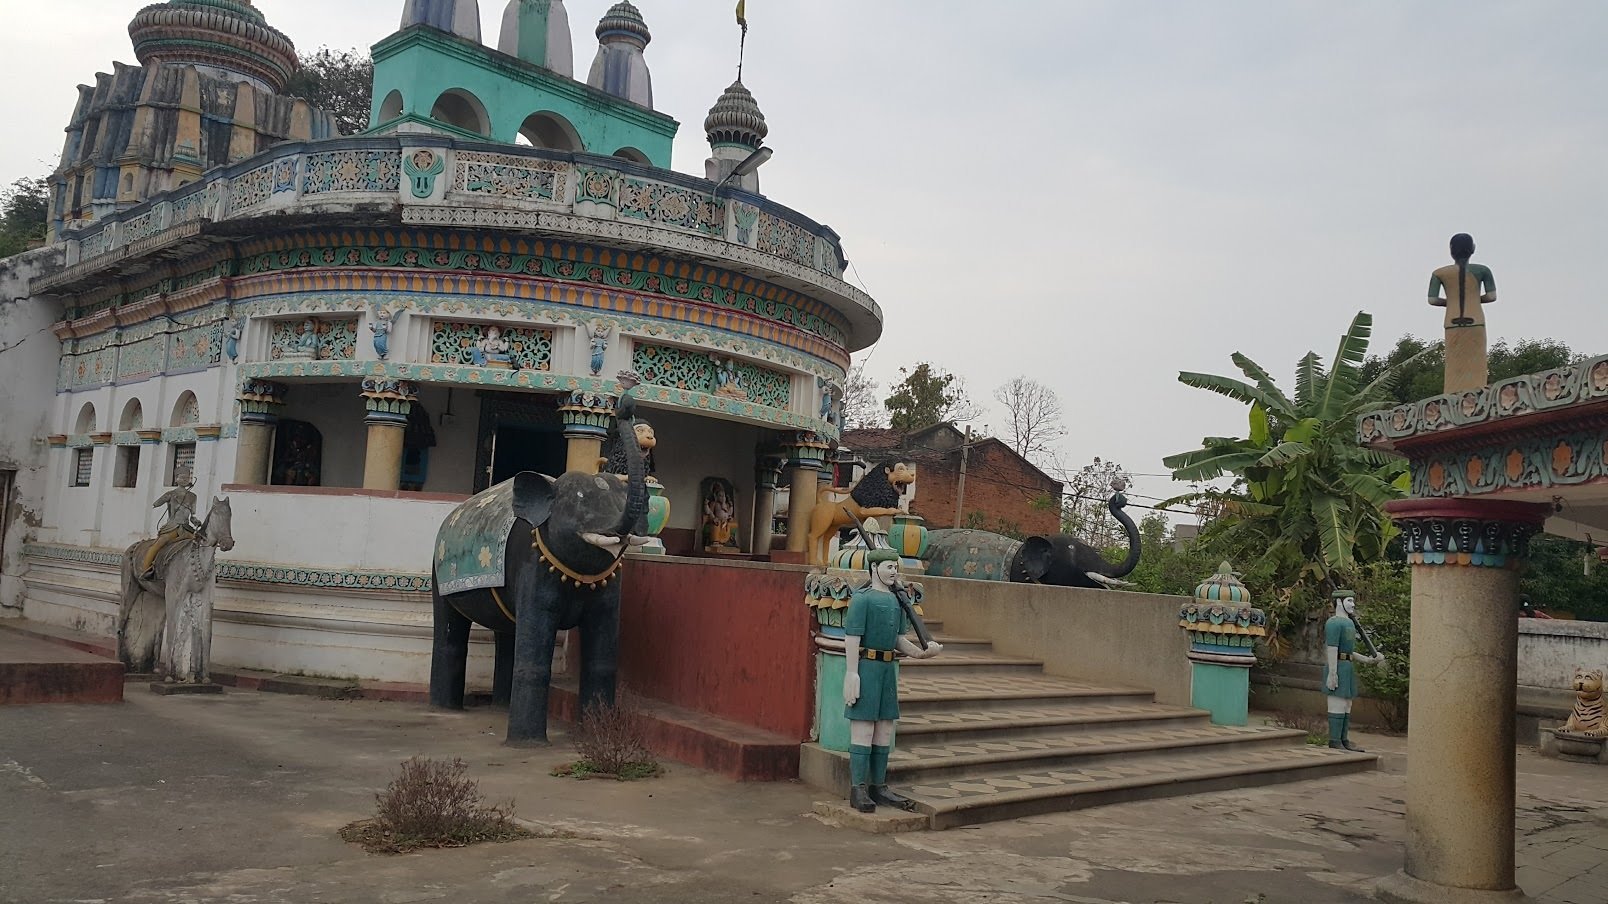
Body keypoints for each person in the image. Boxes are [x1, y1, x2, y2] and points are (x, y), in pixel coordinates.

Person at [843, 549, 942, 812]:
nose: (893, 572)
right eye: (888, 566)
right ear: (874, 568)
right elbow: (852, 638)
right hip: (868, 667)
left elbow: (899, 639)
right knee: (863, 728)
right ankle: (858, 788)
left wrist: (922, 654)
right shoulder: (862, 599)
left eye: (895, 567)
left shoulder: (897, 601)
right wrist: (852, 673)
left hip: (888, 669)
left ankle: (879, 786)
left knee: (884, 728)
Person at [1427, 233, 1497, 393]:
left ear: (1451, 251)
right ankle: (1477, 394)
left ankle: (1453, 395)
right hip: (1476, 320)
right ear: (1472, 249)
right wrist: (1476, 298)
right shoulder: (1483, 270)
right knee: (1476, 362)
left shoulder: (1440, 273)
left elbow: (1432, 299)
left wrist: (1449, 302)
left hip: (1452, 322)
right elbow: (1492, 296)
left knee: (1454, 363)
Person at [1325, 589, 1384, 752]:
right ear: (1339, 602)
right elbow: (1332, 648)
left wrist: (1368, 659)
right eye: (1349, 600)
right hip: (1337, 667)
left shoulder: (1349, 623)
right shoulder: (1333, 623)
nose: (1353, 604)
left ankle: (1344, 739)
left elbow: (1349, 652)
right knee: (1337, 704)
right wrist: (1332, 672)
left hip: (1347, 667)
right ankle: (1335, 739)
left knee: (1347, 704)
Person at [143, 475, 200, 577]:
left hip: (186, 529)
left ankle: (203, 571)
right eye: (182, 478)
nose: (184, 480)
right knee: (157, 545)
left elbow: (192, 516)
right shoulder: (170, 494)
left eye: (186, 478)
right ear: (177, 480)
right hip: (172, 527)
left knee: (201, 544)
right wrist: (164, 500)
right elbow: (157, 503)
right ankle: (146, 570)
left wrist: (196, 521)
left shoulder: (193, 496)